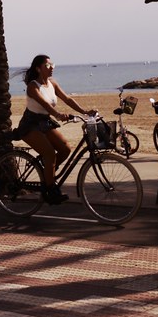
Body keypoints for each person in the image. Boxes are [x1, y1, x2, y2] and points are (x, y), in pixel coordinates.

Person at [17, 54, 97, 204]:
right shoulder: (32, 86)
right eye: (47, 65)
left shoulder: (52, 83)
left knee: (65, 149)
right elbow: (45, 104)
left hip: (45, 122)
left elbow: (67, 99)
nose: (51, 67)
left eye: (52, 64)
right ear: (38, 69)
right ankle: (50, 190)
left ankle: (47, 173)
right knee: (49, 154)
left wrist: (84, 111)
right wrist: (58, 114)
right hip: (31, 124)